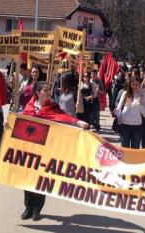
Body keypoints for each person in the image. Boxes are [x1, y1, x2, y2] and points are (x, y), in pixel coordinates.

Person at [21, 81, 88, 221]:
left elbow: (64, 117)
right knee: (28, 177)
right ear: (38, 92)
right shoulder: (29, 106)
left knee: (41, 178)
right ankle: (28, 207)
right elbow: (21, 120)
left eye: (49, 90)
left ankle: (37, 209)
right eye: (45, 90)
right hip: (30, 147)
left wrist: (78, 122)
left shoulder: (53, 107)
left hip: (46, 147)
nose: (48, 92)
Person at [115, 76, 145, 149]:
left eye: (137, 84)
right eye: (133, 84)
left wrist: (141, 105)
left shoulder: (143, 96)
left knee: (135, 150)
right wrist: (118, 116)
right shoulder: (125, 93)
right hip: (124, 125)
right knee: (124, 149)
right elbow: (118, 108)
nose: (135, 86)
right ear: (130, 85)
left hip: (137, 127)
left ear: (140, 85)